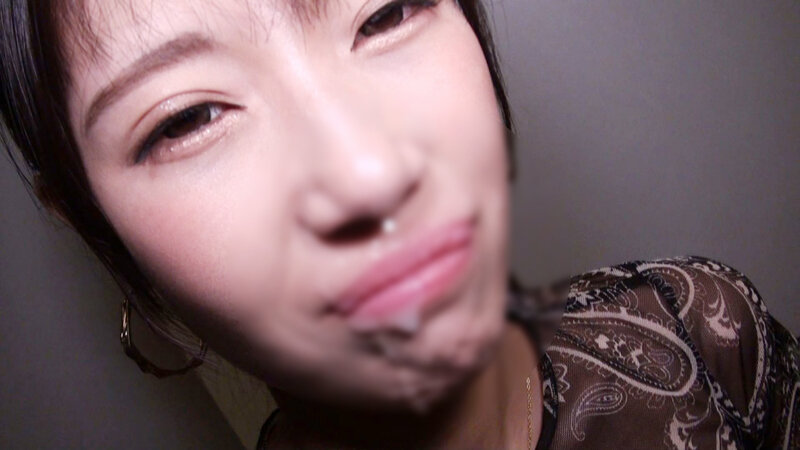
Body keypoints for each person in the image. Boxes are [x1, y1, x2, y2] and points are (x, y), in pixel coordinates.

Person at [1, 0, 797, 448]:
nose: (367, 173)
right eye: (186, 119)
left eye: (384, 13)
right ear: (96, 229)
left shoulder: (703, 331)